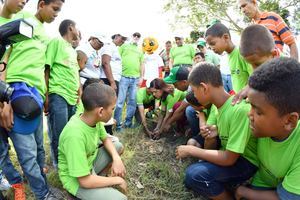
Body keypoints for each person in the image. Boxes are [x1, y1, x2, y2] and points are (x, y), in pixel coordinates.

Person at [0, 0, 64, 199]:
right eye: (54, 9)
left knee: (38, 150)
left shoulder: (45, 35)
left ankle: (40, 185)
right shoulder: (19, 19)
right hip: (16, 93)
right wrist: (4, 101)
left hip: (35, 95)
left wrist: (44, 95)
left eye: (59, 11)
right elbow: (4, 59)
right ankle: (41, 194)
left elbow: (41, 69)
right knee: (27, 154)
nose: (56, 15)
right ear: (42, 4)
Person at [176, 63, 258, 200]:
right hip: (230, 157)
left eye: (194, 91)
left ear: (204, 88)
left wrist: (191, 150)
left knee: (195, 175)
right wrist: (210, 138)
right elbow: (214, 149)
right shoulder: (219, 108)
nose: (194, 95)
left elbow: (229, 159)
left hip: (245, 163)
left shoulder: (238, 109)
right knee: (190, 178)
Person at [235, 57, 300, 200]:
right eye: (250, 105)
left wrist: (244, 192)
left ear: (289, 121)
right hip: (263, 181)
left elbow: (289, 197)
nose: (249, 114)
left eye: (258, 111)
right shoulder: (261, 125)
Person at [58, 83, 127, 200]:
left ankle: (99, 179)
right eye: (112, 108)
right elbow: (84, 181)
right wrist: (117, 180)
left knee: (118, 146)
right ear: (100, 111)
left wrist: (116, 158)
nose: (113, 111)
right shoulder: (74, 135)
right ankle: (77, 193)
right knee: (120, 199)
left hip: (89, 165)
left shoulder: (92, 119)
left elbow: (105, 139)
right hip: (76, 180)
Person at [45, 19, 80, 168]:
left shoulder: (72, 51)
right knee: (58, 134)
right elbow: (46, 69)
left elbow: (75, 74)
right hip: (58, 94)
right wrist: (46, 96)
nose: (78, 31)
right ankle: (59, 165)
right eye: (77, 27)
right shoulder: (56, 42)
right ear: (71, 28)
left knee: (70, 133)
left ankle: (68, 162)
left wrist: (79, 92)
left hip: (72, 97)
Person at [232, 24, 279, 104]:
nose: (254, 71)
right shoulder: (265, 59)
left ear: (274, 54)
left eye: (258, 64)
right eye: (250, 65)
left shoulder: (289, 73)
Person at [205, 22, 253, 94]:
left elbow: (256, 79)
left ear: (226, 37)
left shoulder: (242, 53)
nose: (212, 48)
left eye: (213, 44)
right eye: (209, 46)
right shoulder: (229, 55)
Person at [114, 32, 144, 131]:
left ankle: (128, 123)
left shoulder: (140, 50)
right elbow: (117, 59)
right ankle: (117, 125)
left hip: (135, 78)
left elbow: (142, 64)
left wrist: (142, 77)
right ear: (131, 36)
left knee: (132, 101)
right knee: (120, 102)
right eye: (134, 35)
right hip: (123, 77)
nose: (136, 37)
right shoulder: (124, 46)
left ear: (139, 38)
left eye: (138, 36)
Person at [162, 66, 200, 139]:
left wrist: (168, 123)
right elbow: (181, 107)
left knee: (189, 110)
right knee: (178, 105)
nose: (175, 88)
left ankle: (196, 136)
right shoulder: (190, 85)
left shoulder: (193, 88)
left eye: (176, 85)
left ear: (184, 82)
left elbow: (181, 109)